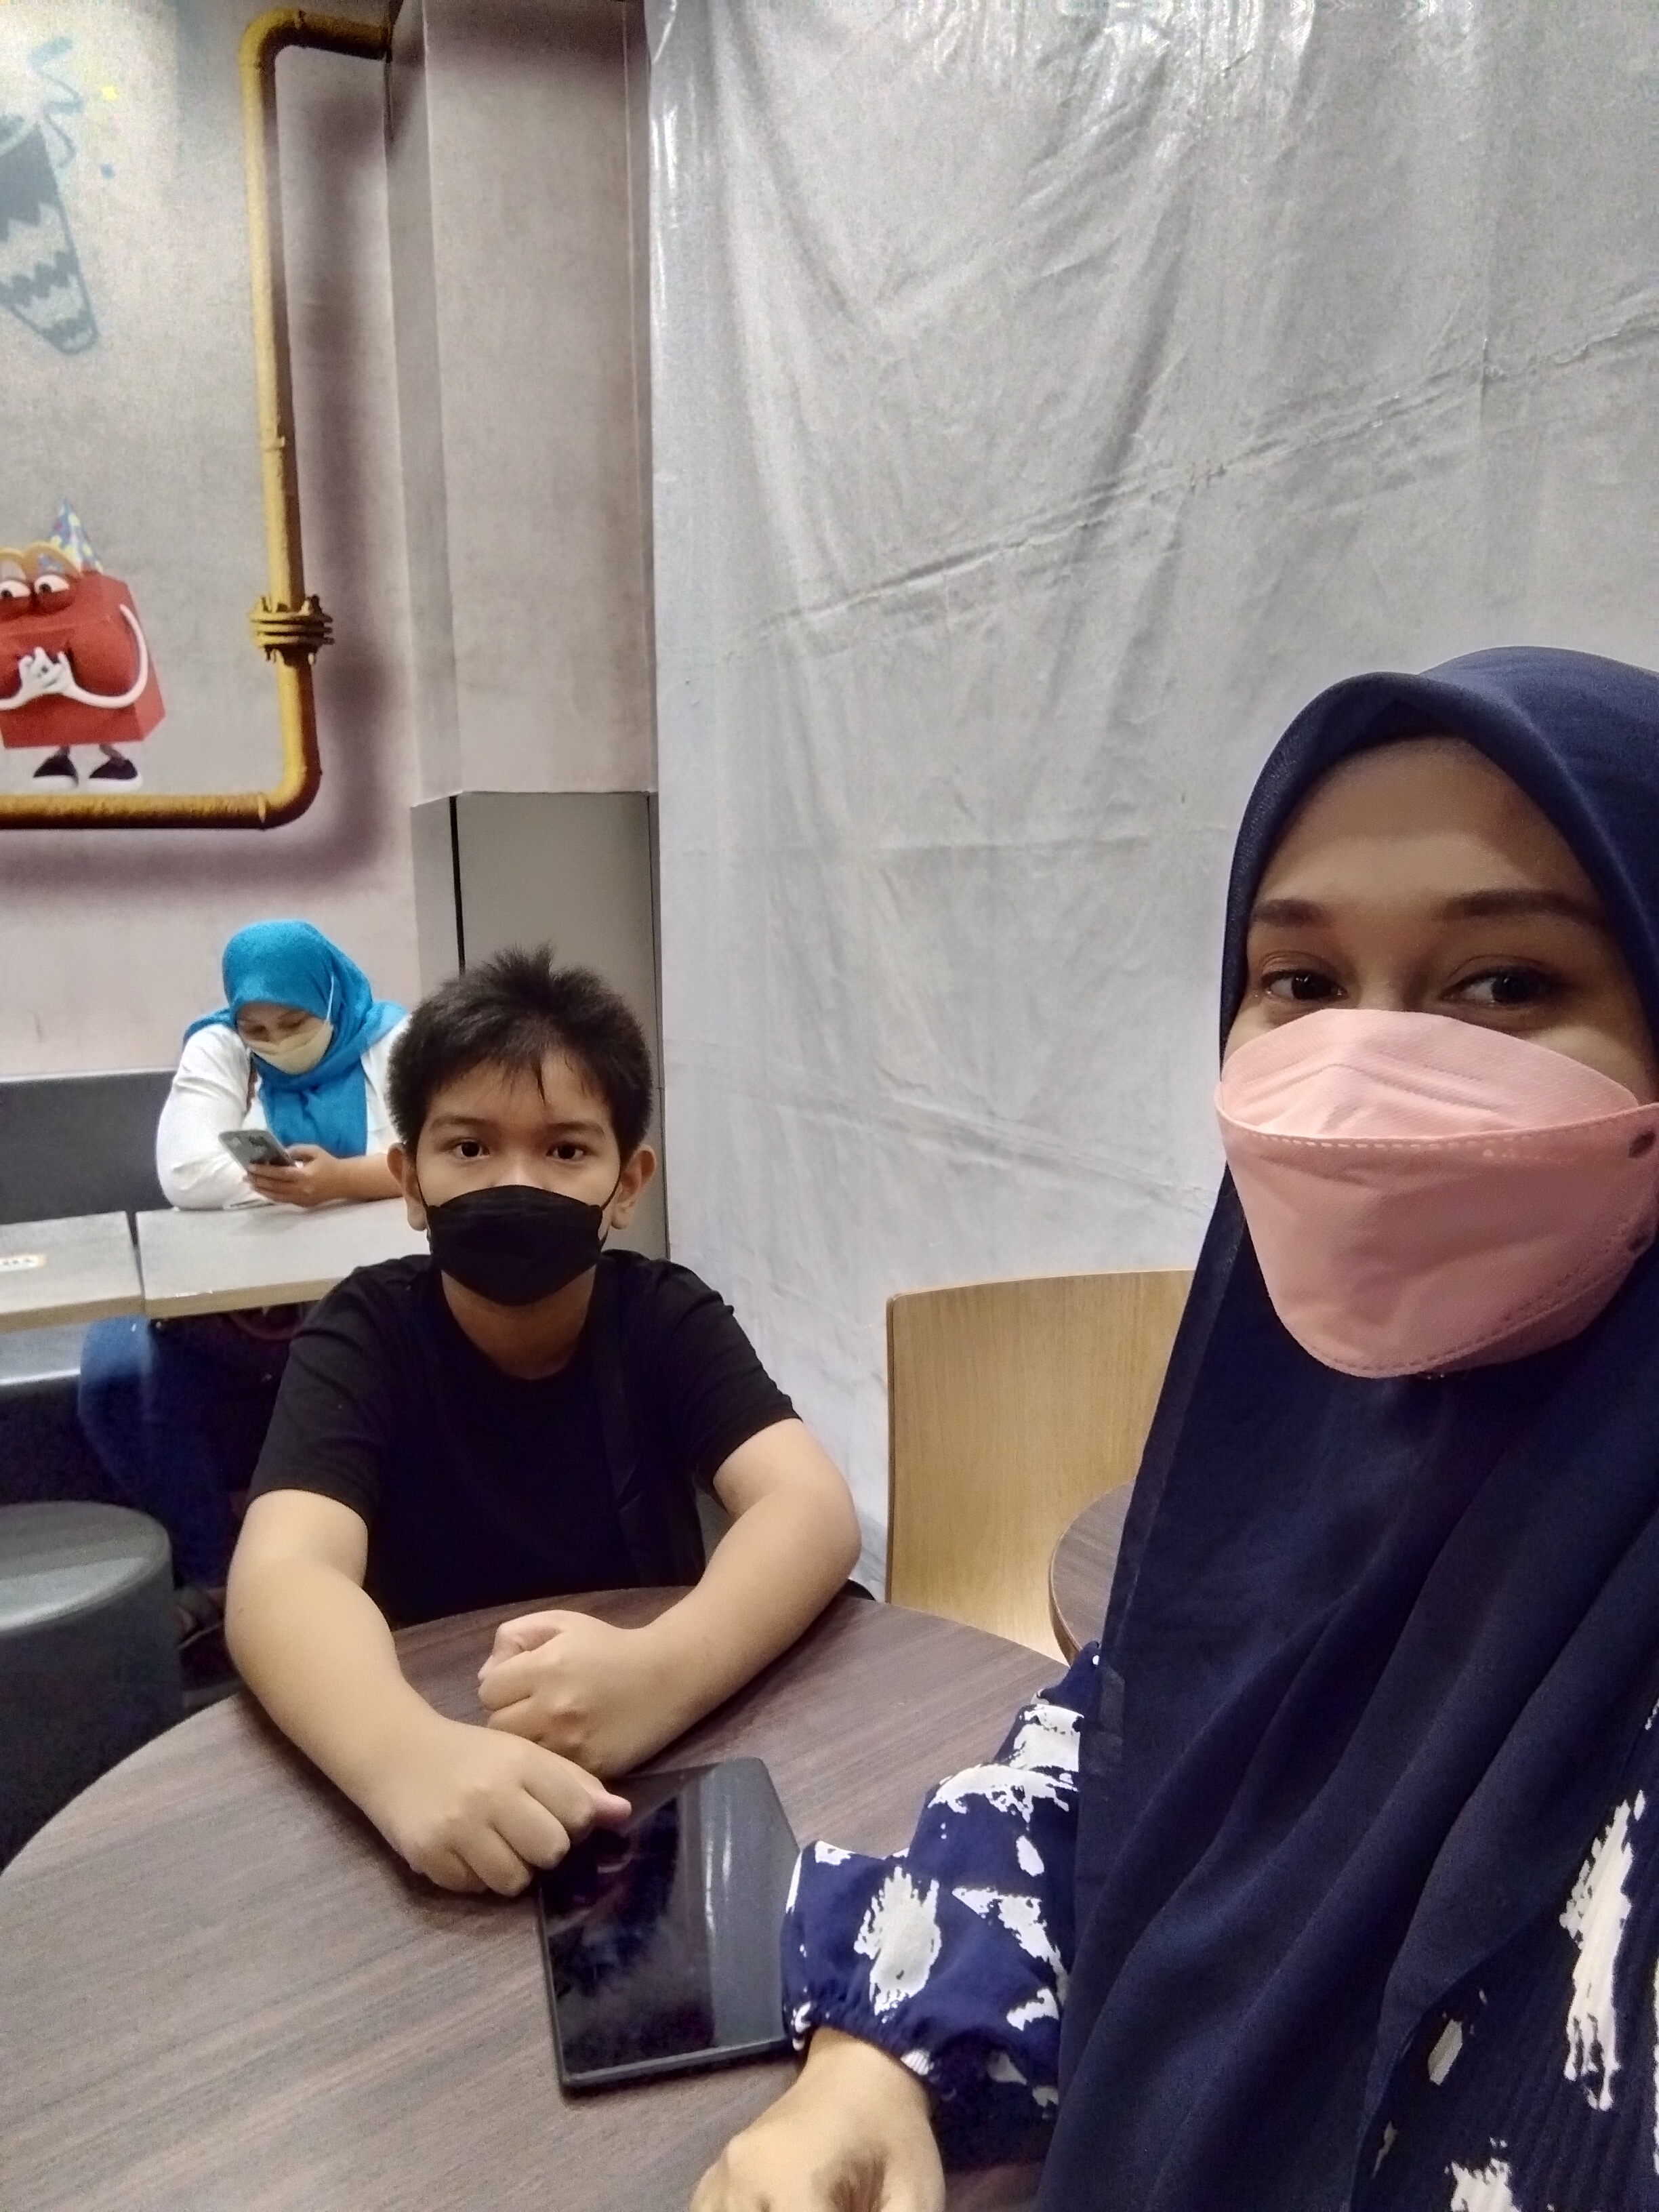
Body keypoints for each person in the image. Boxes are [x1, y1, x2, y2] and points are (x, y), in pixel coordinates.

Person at [695, 648, 1659, 2212]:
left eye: (1504, 984)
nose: (1357, 1076)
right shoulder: (1297, 1457)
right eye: (1299, 983)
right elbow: (1115, 1756)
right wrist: (886, 2055)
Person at [225, 949, 863, 1898]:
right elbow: (282, 1575)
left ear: (627, 1183)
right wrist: (404, 1757)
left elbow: (808, 1506)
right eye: (468, 1149)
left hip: (655, 1778)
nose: (514, 1183)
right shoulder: (365, 1331)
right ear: (409, 1180)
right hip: (442, 1762)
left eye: (566, 1151)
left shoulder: (663, 1316)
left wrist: (661, 1673)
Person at [77, 920, 406, 1637]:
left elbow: (428, 1156)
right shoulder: (220, 1045)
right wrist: (305, 1185)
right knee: (120, 1372)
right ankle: (217, 1572)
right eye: (257, 1028)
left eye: (295, 1023)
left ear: (331, 997)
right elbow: (186, 1173)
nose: (276, 1042)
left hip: (368, 1291)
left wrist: (339, 1180)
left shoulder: (393, 1043)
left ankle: (371, 1584)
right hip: (244, 1301)